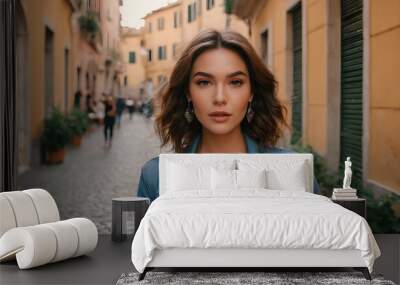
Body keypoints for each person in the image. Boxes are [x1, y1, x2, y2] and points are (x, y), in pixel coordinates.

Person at [137, 29, 320, 202]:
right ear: (188, 93)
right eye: (204, 82)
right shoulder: (156, 176)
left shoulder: (293, 170)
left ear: (252, 92)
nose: (219, 98)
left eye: (235, 82)